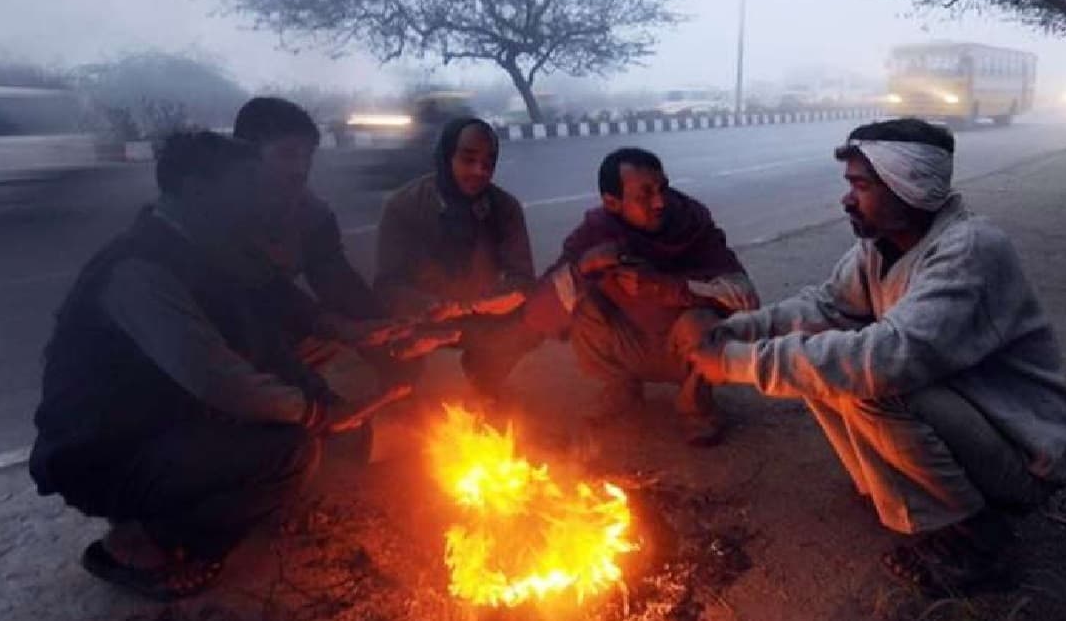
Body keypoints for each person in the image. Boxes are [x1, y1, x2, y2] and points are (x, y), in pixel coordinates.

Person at [687, 118, 1066, 595]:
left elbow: (889, 359)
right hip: (970, 420)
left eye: (861, 185)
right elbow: (829, 307)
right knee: (827, 359)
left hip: (1022, 456)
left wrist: (735, 363)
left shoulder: (972, 249)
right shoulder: (880, 246)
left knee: (870, 382)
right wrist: (733, 331)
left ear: (907, 186)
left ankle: (977, 540)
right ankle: (892, 490)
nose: (847, 198)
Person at [29, 131, 362, 601]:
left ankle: (179, 506)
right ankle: (141, 543)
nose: (257, 202)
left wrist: (319, 391)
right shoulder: (138, 270)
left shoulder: (204, 253)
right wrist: (311, 412)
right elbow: (216, 377)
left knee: (288, 434)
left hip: (153, 421)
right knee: (292, 451)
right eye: (245, 188)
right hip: (98, 450)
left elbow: (264, 340)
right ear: (198, 191)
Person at [522, 147, 760, 446]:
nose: (660, 202)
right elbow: (538, 313)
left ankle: (695, 406)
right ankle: (621, 388)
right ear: (612, 202)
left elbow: (745, 296)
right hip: (627, 342)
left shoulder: (692, 221)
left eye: (662, 188)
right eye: (644, 195)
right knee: (579, 299)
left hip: (683, 347)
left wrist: (664, 286)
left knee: (703, 323)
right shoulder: (596, 231)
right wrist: (583, 268)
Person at [232, 96, 423, 385]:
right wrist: (330, 330)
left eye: (306, 156)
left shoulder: (310, 214)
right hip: (208, 343)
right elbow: (257, 296)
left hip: (275, 325)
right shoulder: (213, 215)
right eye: (286, 154)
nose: (300, 169)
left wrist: (387, 335)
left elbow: (337, 282)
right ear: (247, 155)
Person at [374, 117, 540, 404]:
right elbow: (387, 284)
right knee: (384, 338)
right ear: (446, 155)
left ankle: (484, 378)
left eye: (489, 162)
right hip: (418, 319)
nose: (480, 171)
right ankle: (402, 390)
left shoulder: (504, 208)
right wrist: (428, 306)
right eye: (468, 159)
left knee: (536, 318)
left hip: (478, 314)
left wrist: (487, 302)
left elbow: (523, 278)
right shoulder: (405, 205)